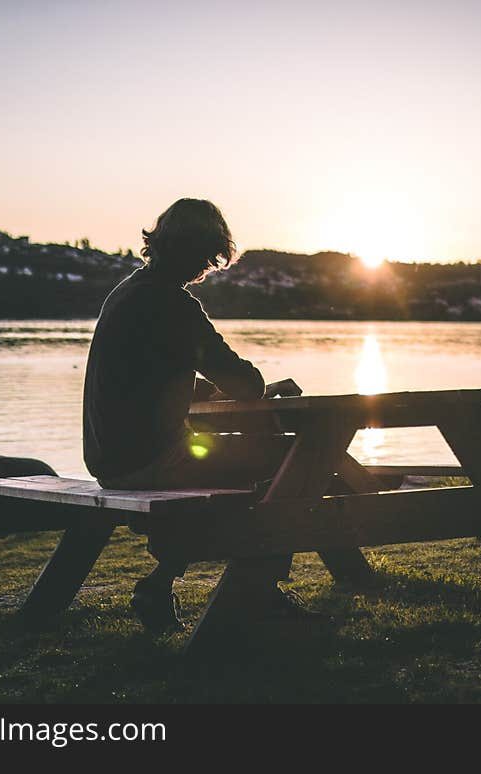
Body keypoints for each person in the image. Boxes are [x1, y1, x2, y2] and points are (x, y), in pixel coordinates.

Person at [82, 198, 309, 632]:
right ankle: (264, 589)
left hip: (109, 461)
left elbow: (161, 379)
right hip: (151, 461)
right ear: (198, 251)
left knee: (241, 470)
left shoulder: (128, 292)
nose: (207, 269)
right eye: (208, 257)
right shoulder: (174, 304)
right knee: (293, 460)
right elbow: (243, 383)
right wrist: (267, 387)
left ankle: (166, 580)